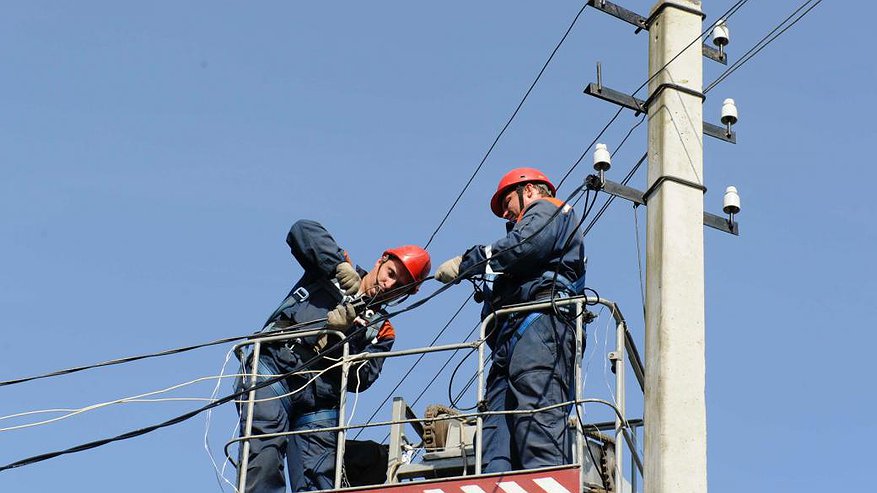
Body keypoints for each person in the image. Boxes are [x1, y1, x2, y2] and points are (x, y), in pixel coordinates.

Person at [237, 219, 430, 493]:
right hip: (277, 367)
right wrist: (338, 266)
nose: (388, 284)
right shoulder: (336, 269)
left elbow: (361, 380)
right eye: (390, 272)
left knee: (319, 478)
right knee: (265, 453)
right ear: (381, 260)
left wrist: (339, 339)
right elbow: (301, 231)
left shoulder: (382, 329)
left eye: (398, 285)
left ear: (406, 294)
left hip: (319, 398)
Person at [434, 167, 585, 473]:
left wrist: (472, 260)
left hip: (540, 328)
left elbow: (524, 246)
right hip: (511, 340)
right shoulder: (523, 237)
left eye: (507, 202)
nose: (505, 212)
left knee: (537, 419)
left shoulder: (548, 210)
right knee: (496, 431)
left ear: (529, 190)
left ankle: (545, 481)